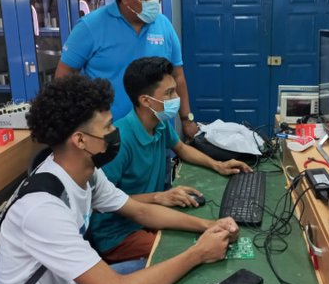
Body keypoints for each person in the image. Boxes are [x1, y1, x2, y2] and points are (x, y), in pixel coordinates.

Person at [0, 74, 238, 284]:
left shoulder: (86, 173)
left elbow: (140, 210)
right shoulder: (42, 210)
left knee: (165, 264)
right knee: (178, 268)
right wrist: (199, 253)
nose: (115, 132)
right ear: (80, 140)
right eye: (108, 127)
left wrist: (208, 225)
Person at [90, 57, 252, 263]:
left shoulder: (160, 122)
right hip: (118, 234)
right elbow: (100, 203)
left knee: (202, 240)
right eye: (169, 93)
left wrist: (217, 165)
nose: (177, 98)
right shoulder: (119, 141)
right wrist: (159, 197)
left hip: (151, 215)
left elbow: (182, 148)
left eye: (175, 90)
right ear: (145, 100)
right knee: (196, 250)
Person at [55, 0, 199, 139]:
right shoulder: (90, 27)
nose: (155, 1)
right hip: (107, 135)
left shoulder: (164, 26)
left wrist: (187, 119)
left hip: (156, 133)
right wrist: (74, 123)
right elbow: (64, 77)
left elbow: (178, 75)